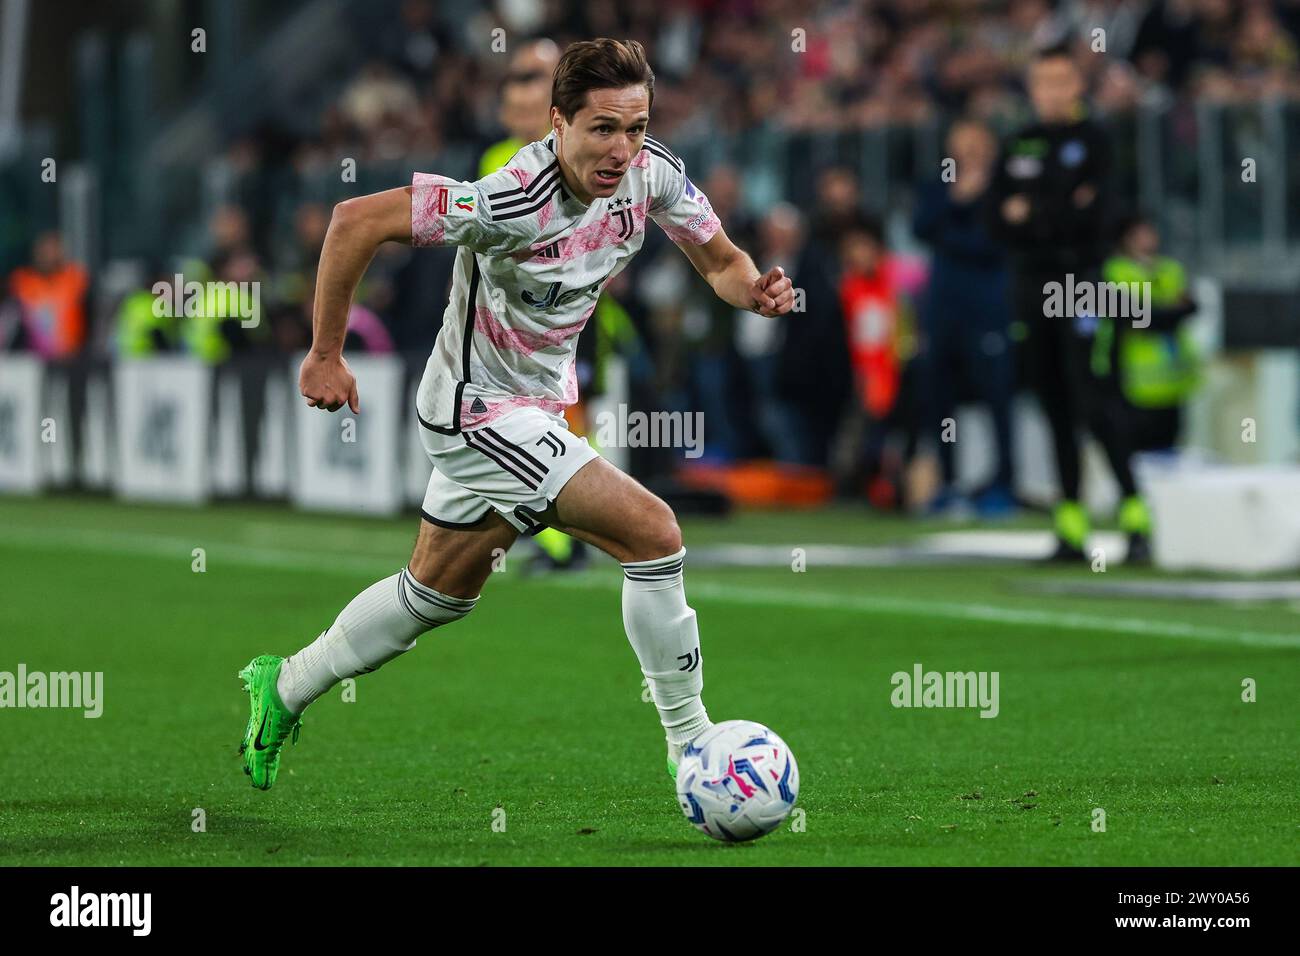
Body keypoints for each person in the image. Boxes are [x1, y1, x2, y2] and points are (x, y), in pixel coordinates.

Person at [237, 38, 795, 790]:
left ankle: (283, 686)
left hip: (536, 406)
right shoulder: (509, 202)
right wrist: (325, 353)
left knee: (431, 596)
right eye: (602, 129)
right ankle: (692, 743)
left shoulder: (651, 173)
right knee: (654, 533)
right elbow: (352, 220)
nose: (622, 149)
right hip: (476, 414)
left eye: (635, 127)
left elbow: (722, 261)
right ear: (557, 122)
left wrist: (754, 289)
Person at [987, 43, 1151, 562]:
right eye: (1042, 82)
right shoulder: (1018, 142)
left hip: (1082, 282)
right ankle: (1071, 526)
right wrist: (1053, 209)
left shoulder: (1098, 140)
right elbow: (995, 218)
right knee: (1053, 403)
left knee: (1094, 400)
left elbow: (1096, 219)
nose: (1051, 93)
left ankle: (1136, 515)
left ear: (1078, 84)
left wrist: (1031, 211)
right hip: (1032, 286)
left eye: (1061, 81)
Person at [913, 118, 1015, 516]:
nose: (968, 150)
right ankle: (949, 481)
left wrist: (956, 220)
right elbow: (921, 225)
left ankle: (1004, 481)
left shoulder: (1005, 187)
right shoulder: (939, 185)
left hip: (988, 311)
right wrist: (958, 202)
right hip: (943, 311)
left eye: (976, 142)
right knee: (940, 399)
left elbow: (990, 244)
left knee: (997, 399)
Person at [1100, 214, 1199, 452]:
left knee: (1171, 444)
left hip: (1174, 374)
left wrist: (1154, 314)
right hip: (1136, 377)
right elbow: (1132, 316)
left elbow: (1188, 306)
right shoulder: (1116, 271)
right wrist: (1165, 313)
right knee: (1140, 443)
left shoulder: (1170, 268)